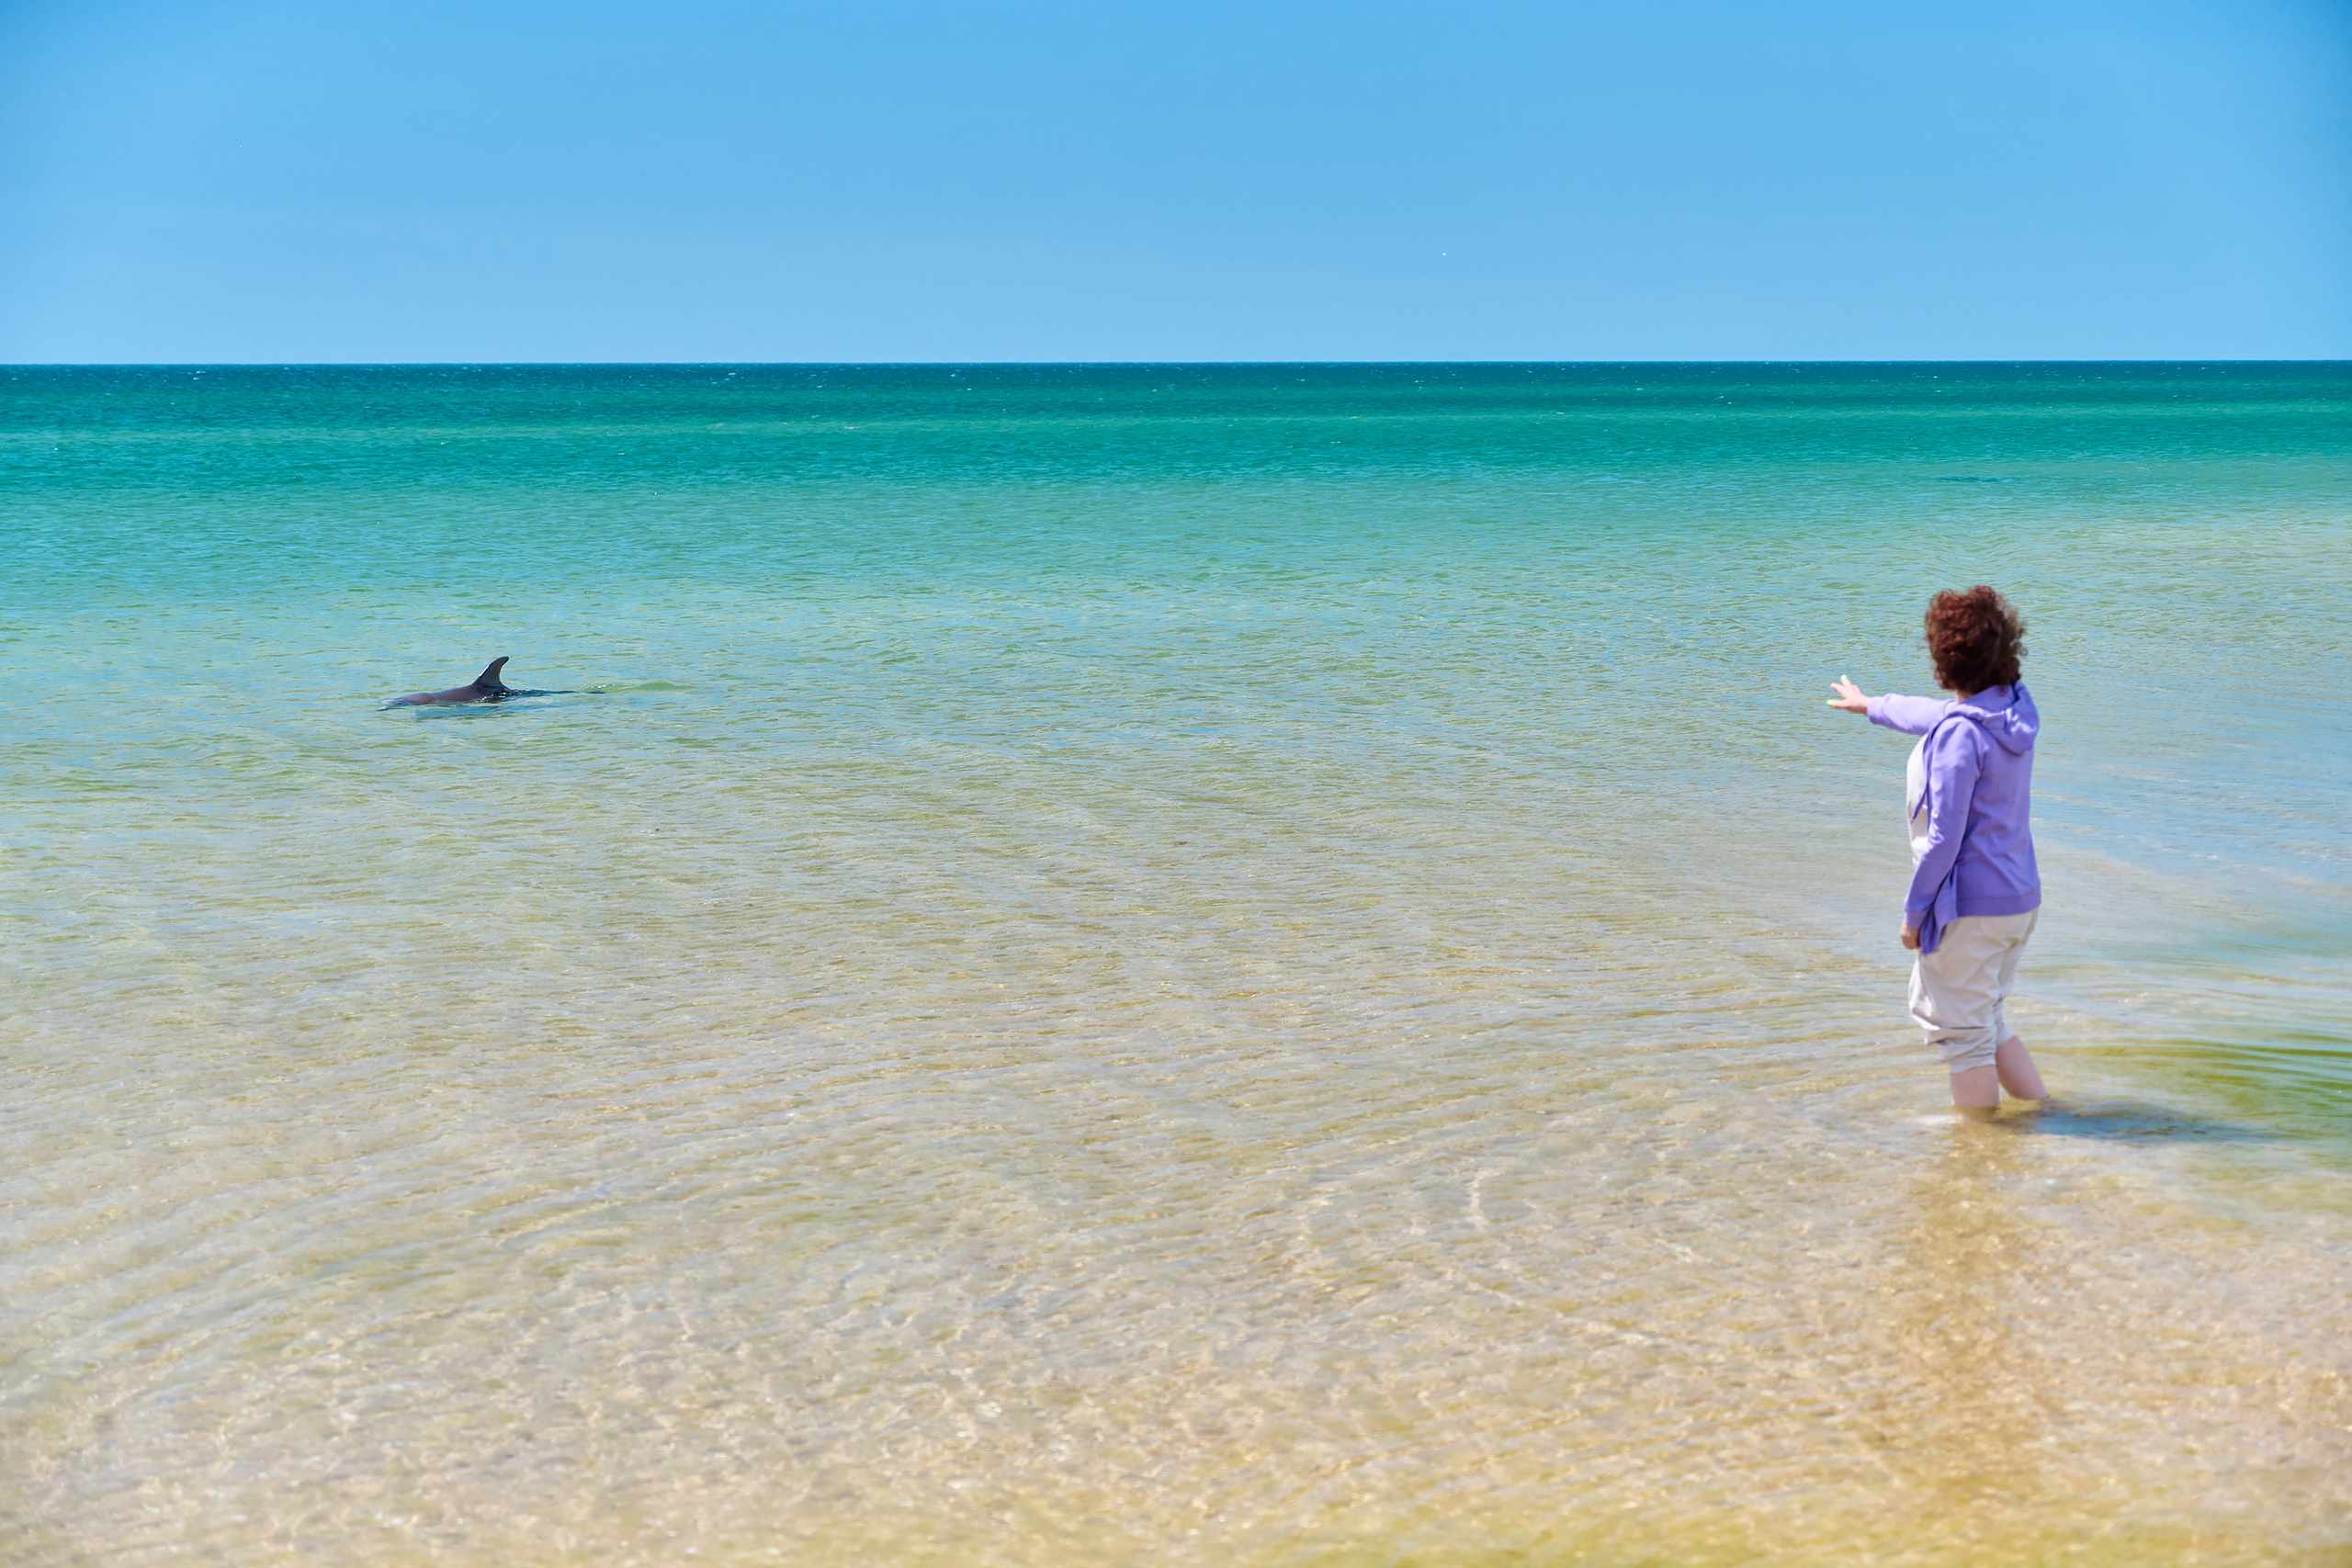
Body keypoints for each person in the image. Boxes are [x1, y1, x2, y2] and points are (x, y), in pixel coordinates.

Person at [1827, 586, 2047, 1111]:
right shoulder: (2012, 709)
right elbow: (1940, 716)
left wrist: (1914, 915)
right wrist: (1873, 706)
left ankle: (1974, 1161)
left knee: (1961, 1038)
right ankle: (2041, 1120)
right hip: (2017, 902)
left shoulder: (1959, 737)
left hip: (1969, 910)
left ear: (1942, 659)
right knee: (1986, 1024)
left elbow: (1945, 840)